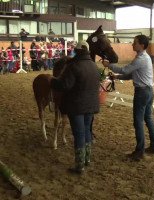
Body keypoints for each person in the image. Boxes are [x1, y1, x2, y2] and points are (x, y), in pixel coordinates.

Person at [102, 34, 154, 161]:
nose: (133, 44)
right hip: (149, 91)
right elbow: (132, 75)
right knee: (148, 118)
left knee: (138, 121)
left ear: (142, 45)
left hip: (142, 92)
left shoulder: (140, 59)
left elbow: (124, 70)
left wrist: (109, 65)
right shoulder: (145, 57)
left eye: (135, 43)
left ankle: (139, 151)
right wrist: (117, 77)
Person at [51, 41, 100, 174]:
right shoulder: (94, 65)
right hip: (91, 105)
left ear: (77, 51)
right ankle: (87, 160)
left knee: (79, 134)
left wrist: (52, 80)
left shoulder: (73, 66)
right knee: (87, 132)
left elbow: (64, 85)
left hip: (76, 106)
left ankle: (79, 166)